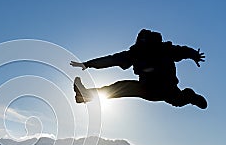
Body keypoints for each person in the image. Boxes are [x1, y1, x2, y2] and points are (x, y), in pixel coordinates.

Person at [70, 29, 207, 109]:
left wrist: (194, 54)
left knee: (179, 99)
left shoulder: (165, 49)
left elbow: (183, 51)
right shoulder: (136, 53)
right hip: (149, 89)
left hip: (166, 89)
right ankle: (84, 95)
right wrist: (88, 64)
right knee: (119, 87)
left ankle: (190, 96)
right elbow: (112, 60)